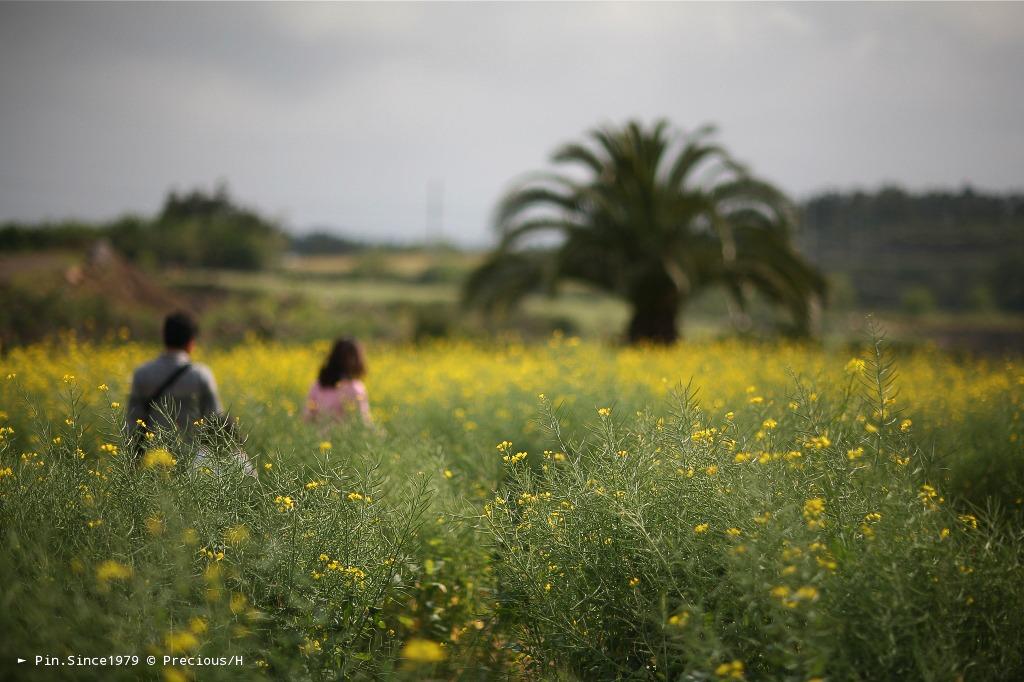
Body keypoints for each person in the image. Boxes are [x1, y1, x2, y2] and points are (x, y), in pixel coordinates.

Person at [126, 311, 252, 474]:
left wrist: (133, 465)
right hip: (193, 463)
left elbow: (132, 424)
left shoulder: (142, 374)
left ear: (164, 337)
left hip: (153, 461)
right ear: (191, 342)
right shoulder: (200, 375)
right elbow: (217, 419)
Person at [304, 338, 372, 426]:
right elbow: (364, 421)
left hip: (319, 438)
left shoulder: (318, 385)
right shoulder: (355, 388)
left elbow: (306, 417)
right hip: (346, 438)